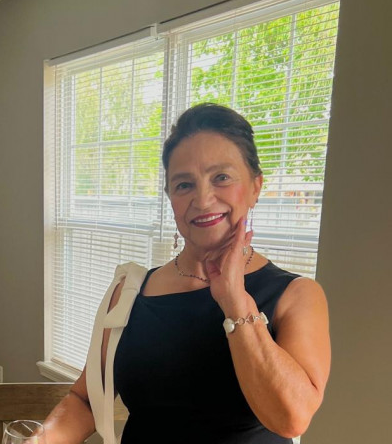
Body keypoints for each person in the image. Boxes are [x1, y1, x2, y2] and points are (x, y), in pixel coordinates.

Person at [41, 103, 330, 444]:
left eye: (221, 178)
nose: (203, 200)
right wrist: (39, 441)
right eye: (184, 185)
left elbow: (291, 418)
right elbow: (86, 399)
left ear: (256, 186)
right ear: (170, 198)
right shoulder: (129, 293)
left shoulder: (296, 295)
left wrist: (234, 299)